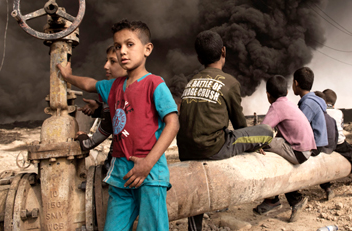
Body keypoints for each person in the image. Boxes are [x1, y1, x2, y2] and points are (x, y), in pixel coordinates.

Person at [58, 19, 179, 231]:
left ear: (147, 49)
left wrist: (148, 163)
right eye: (118, 46)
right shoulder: (113, 86)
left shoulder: (155, 83)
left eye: (129, 44)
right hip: (120, 173)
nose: (122, 51)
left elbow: (173, 124)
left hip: (150, 173)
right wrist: (67, 76)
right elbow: (89, 84)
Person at [177, 30, 274, 231]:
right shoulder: (229, 82)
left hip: (185, 150)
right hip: (213, 148)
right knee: (265, 130)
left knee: (198, 187)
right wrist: (253, 146)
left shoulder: (190, 82)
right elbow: (239, 125)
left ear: (198, 57)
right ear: (223, 51)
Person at [253, 75, 316, 222]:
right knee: (270, 148)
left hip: (298, 151)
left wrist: (258, 145)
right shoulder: (289, 104)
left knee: (262, 146)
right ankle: (279, 199)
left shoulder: (277, 106)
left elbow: (262, 131)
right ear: (287, 92)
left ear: (268, 95)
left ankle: (272, 199)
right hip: (306, 149)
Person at [75, 45, 128, 169]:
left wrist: (85, 142)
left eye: (112, 61)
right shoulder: (145, 84)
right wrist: (99, 109)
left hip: (121, 162)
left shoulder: (112, 87)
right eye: (106, 60)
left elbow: (107, 125)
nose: (105, 66)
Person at [320, 89, 352, 199]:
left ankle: (327, 188)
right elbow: (341, 128)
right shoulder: (339, 113)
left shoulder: (320, 111)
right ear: (334, 103)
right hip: (339, 143)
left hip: (324, 144)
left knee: (323, 164)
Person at [292, 67, 329, 152]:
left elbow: (298, 129)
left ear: (295, 83)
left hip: (314, 147)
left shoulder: (307, 104)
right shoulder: (312, 101)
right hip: (319, 145)